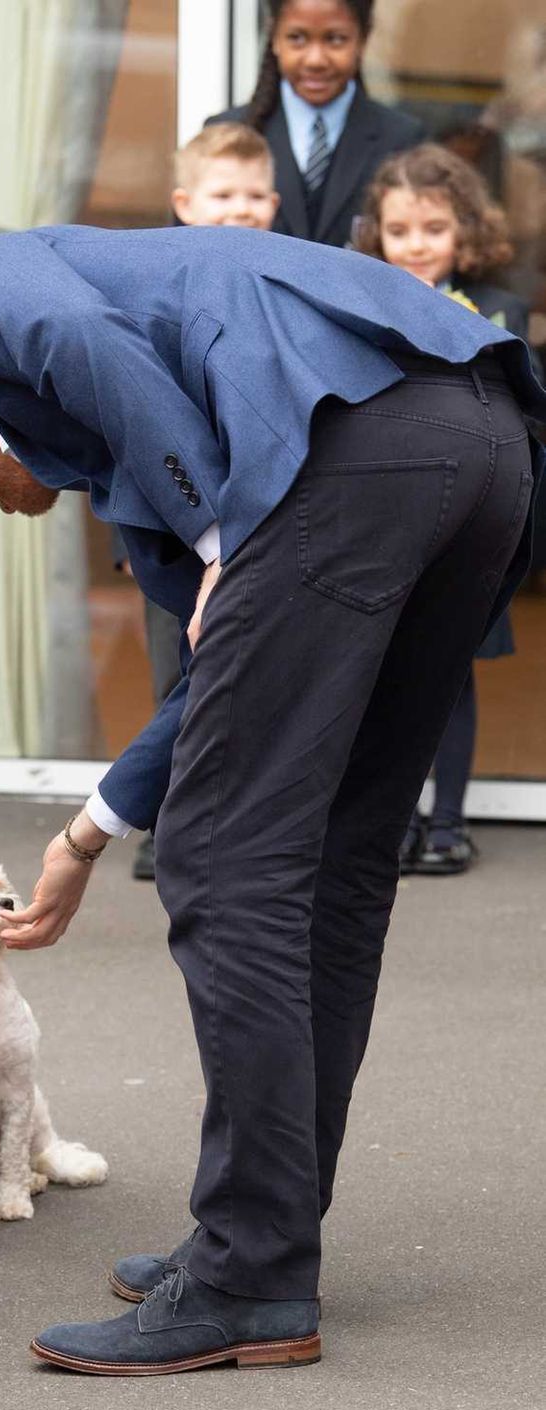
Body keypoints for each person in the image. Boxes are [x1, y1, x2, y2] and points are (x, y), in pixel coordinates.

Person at [0, 221, 543, 1373]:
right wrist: (84, 837)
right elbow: (217, 681)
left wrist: (217, 537)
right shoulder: (156, 450)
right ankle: (264, 1236)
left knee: (225, 859)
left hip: (350, 443)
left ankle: (250, 1273)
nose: (8, 495)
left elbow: (78, 335)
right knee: (338, 852)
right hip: (482, 438)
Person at [355, 142, 528, 875]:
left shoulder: (501, 309)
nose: (417, 245)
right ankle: (391, 825)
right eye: (399, 231)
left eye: (434, 229)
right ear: (376, 235)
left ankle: (450, 822)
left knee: (453, 675)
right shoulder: (360, 304)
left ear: (465, 230)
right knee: (380, 675)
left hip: (473, 518)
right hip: (388, 515)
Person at [127, 121, 281, 880]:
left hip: (262, 515)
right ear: (184, 204)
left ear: (275, 205)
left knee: (260, 670)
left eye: (254, 196)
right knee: (178, 669)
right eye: (223, 195)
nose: (240, 209)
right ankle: (164, 821)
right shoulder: (155, 289)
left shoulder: (285, 286)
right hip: (175, 522)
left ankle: (244, 825)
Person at [208, 0, 424, 250]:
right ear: (274, 37)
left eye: (335, 39)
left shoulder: (401, 139)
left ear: (363, 39)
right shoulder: (226, 134)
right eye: (297, 38)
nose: (315, 60)